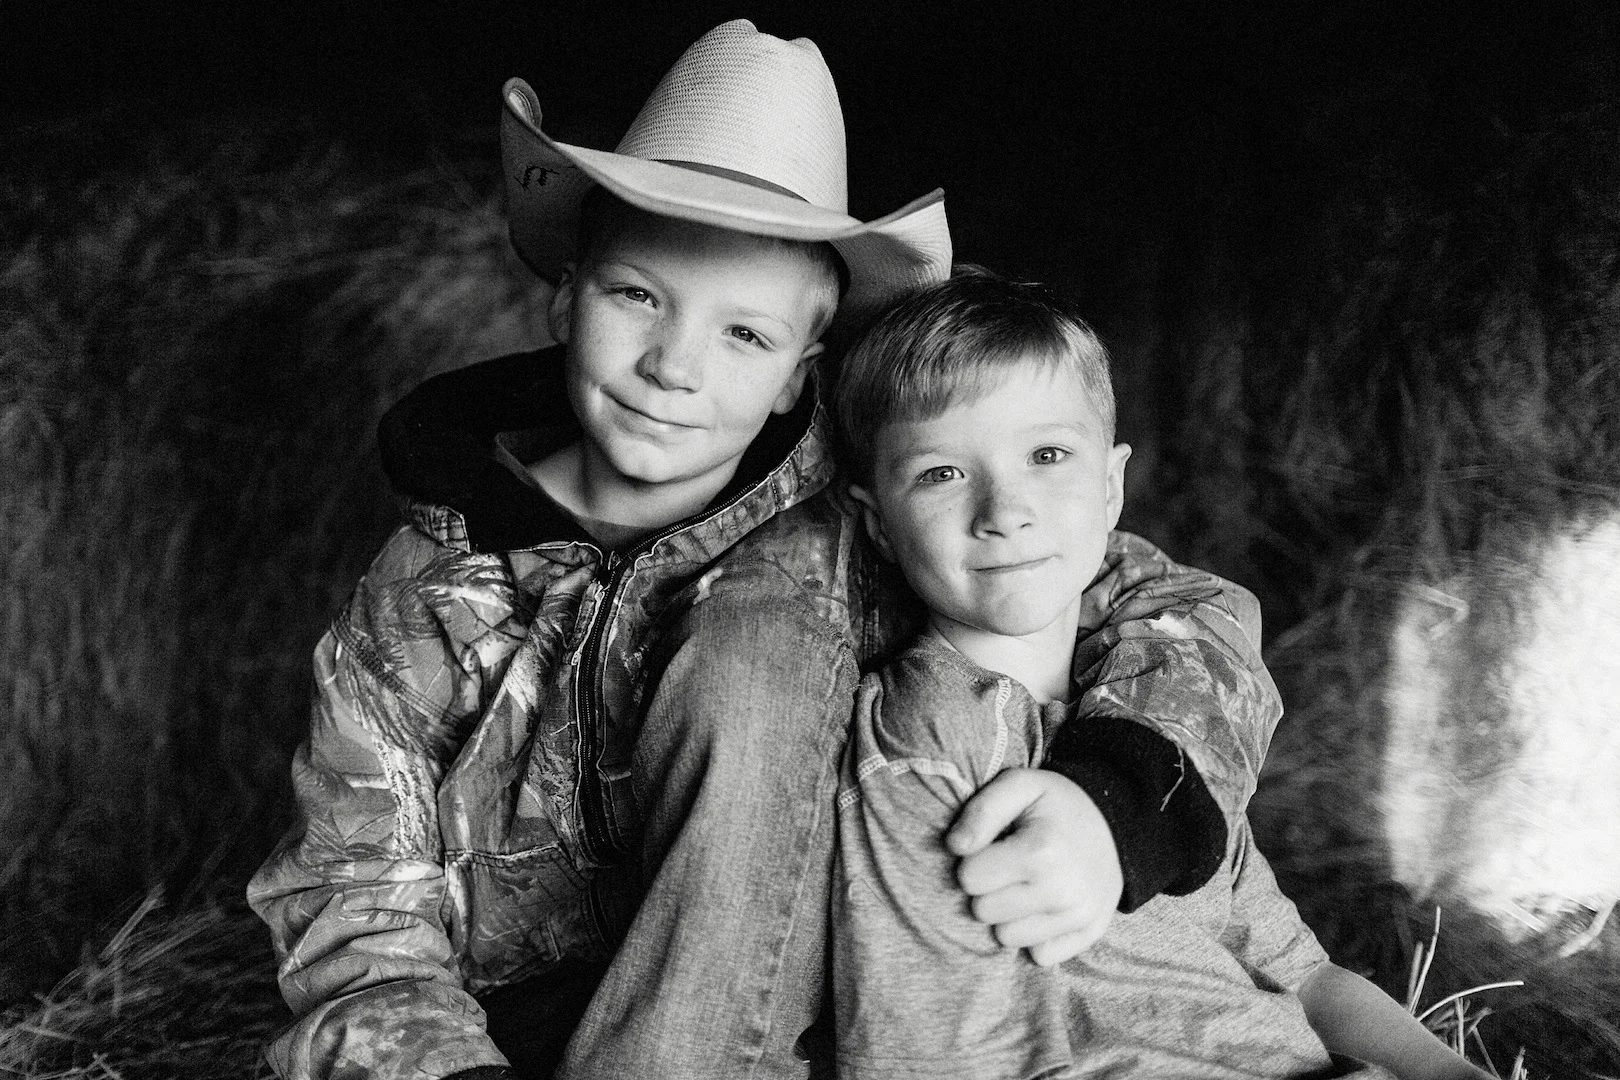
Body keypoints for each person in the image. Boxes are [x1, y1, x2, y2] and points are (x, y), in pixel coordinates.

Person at [250, 20, 1276, 1080]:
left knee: (761, 651)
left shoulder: (859, 515)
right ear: (566, 295)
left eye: (745, 334)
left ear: (800, 371)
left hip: (829, 1003)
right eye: (638, 296)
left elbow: (1180, 606)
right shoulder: (423, 596)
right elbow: (352, 906)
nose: (673, 368)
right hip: (522, 1036)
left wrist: (1112, 805)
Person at [828, 269, 1490, 1080]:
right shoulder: (920, 741)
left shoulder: (1162, 719)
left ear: (1111, 488)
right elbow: (934, 1058)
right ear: (878, 526)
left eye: (1046, 455)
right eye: (941, 473)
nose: (1005, 508)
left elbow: (1306, 977)